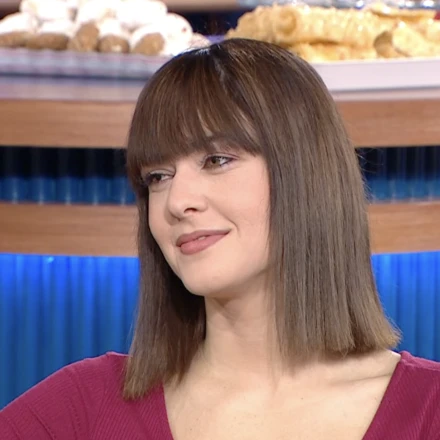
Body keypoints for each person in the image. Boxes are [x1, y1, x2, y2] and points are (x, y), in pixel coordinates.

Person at [1, 38, 440, 440]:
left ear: (305, 174)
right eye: (157, 176)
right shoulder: (82, 408)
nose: (177, 202)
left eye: (216, 160)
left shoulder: (427, 411)